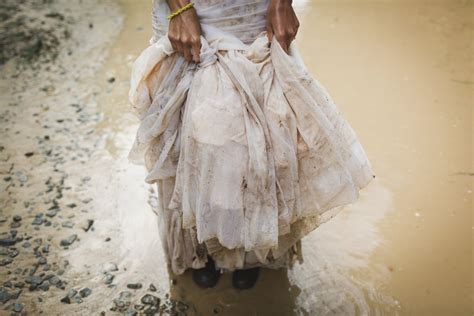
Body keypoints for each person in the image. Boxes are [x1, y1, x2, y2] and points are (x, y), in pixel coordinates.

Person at [128, 0, 375, 290]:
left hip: (250, 11)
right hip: (187, 7)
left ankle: (251, 253)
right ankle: (198, 248)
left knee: (260, 132)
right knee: (186, 132)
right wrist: (180, 8)